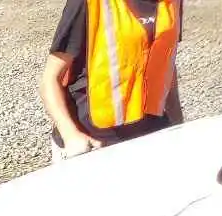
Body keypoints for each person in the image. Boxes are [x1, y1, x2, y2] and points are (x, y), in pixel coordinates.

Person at [40, 0, 183, 160]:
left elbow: (166, 64)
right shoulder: (90, 3)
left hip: (152, 134)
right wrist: (71, 135)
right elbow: (50, 79)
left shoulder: (172, 3)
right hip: (94, 143)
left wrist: (179, 125)